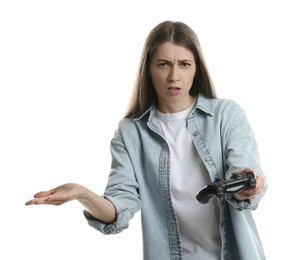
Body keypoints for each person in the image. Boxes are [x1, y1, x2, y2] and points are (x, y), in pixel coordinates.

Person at [25, 20, 267, 260]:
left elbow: (246, 172)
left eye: (184, 64)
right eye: (163, 64)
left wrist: (249, 186)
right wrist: (83, 195)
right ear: (149, 70)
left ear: (197, 69)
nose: (174, 76)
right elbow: (119, 206)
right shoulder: (130, 133)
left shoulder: (226, 115)